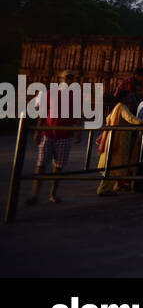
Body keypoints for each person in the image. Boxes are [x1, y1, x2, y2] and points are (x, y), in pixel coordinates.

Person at [25, 69, 79, 206]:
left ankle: (53, 194)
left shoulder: (75, 96)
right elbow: (43, 113)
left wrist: (79, 132)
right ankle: (34, 195)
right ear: (61, 79)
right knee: (41, 164)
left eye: (71, 78)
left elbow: (78, 116)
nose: (69, 80)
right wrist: (37, 131)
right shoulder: (51, 93)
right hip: (48, 134)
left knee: (58, 166)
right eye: (67, 77)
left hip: (65, 135)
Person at [97, 90, 143, 195]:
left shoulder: (117, 107)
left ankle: (117, 185)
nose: (131, 98)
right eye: (129, 96)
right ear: (123, 98)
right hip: (119, 140)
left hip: (116, 137)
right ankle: (104, 189)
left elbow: (108, 118)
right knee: (114, 165)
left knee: (114, 164)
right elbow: (130, 118)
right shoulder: (122, 107)